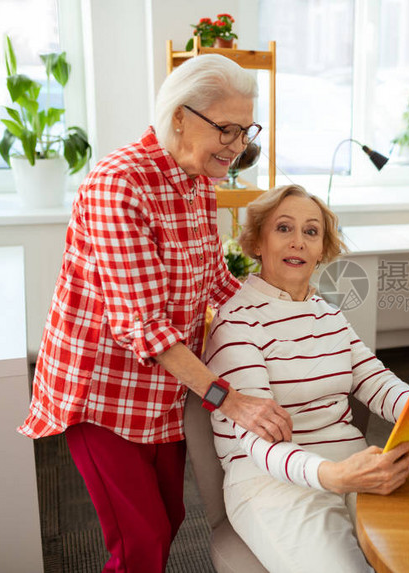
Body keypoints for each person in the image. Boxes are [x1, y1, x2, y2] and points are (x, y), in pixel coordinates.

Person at [18, 55, 293, 572]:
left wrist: (287, 317)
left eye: (246, 129)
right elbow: (144, 329)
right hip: (102, 392)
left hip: (165, 389)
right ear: (180, 117)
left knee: (167, 520)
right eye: (227, 130)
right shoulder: (119, 184)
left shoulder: (196, 179)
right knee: (139, 542)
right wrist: (231, 402)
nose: (239, 147)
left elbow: (216, 281)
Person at [205, 184, 409, 573]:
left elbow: (377, 383)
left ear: (323, 249)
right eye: (283, 228)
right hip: (270, 481)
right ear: (256, 242)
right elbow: (255, 439)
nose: (298, 242)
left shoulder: (330, 315)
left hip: (354, 465)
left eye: (311, 232)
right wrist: (331, 476)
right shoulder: (236, 321)